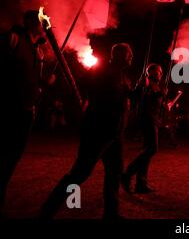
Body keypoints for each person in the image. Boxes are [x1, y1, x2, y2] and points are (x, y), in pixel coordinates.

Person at [40, 43, 133, 219]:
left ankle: (111, 213)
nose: (131, 58)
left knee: (114, 172)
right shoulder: (100, 71)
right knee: (79, 174)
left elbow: (124, 98)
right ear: (119, 55)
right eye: (129, 55)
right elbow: (80, 89)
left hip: (116, 133)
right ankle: (47, 210)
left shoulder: (124, 76)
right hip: (98, 131)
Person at [0, 11, 46, 215]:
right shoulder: (14, 39)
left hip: (27, 109)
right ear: (28, 22)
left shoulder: (38, 50)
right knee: (5, 154)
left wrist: (43, 84)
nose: (43, 23)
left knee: (13, 156)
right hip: (10, 108)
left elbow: (33, 79)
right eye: (40, 20)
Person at [121, 63, 163, 193]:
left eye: (160, 72)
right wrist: (159, 94)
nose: (159, 74)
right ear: (150, 73)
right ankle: (128, 173)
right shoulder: (146, 83)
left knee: (147, 151)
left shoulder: (156, 85)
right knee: (152, 149)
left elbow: (154, 102)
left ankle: (141, 183)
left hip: (153, 120)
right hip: (147, 119)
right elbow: (145, 98)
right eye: (156, 72)